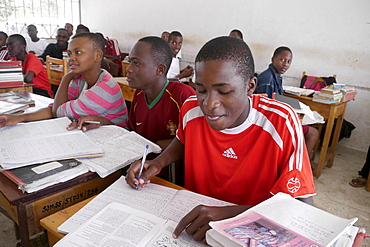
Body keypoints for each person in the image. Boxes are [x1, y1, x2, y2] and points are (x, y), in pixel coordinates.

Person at [125, 36, 316, 243]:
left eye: (223, 91)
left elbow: (301, 206)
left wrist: (231, 215)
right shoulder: (191, 109)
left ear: (250, 86)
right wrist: (158, 163)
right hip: (197, 228)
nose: (209, 103)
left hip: (251, 233)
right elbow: (183, 140)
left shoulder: (280, 122)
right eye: (201, 90)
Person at [0, 32, 128, 130]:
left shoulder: (102, 89)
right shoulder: (80, 80)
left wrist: (66, 77)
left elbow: (58, 113)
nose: (71, 58)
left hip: (115, 141)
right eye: (70, 53)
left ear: (98, 56)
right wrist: (19, 118)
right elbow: (55, 107)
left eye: (78, 53)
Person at [126, 36, 195, 183]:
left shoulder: (183, 96)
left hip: (177, 180)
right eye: (130, 61)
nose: (129, 68)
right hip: (142, 174)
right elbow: (133, 133)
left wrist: (161, 144)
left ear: (160, 69)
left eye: (136, 63)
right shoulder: (139, 94)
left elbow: (196, 143)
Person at [254, 46, 319, 159]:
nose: (285, 64)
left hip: (276, 118)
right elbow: (265, 110)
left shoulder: (277, 76)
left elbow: (278, 99)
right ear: (273, 59)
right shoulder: (268, 79)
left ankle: (296, 162)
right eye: (282, 60)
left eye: (289, 61)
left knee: (307, 123)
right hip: (270, 124)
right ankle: (302, 166)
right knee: (313, 133)